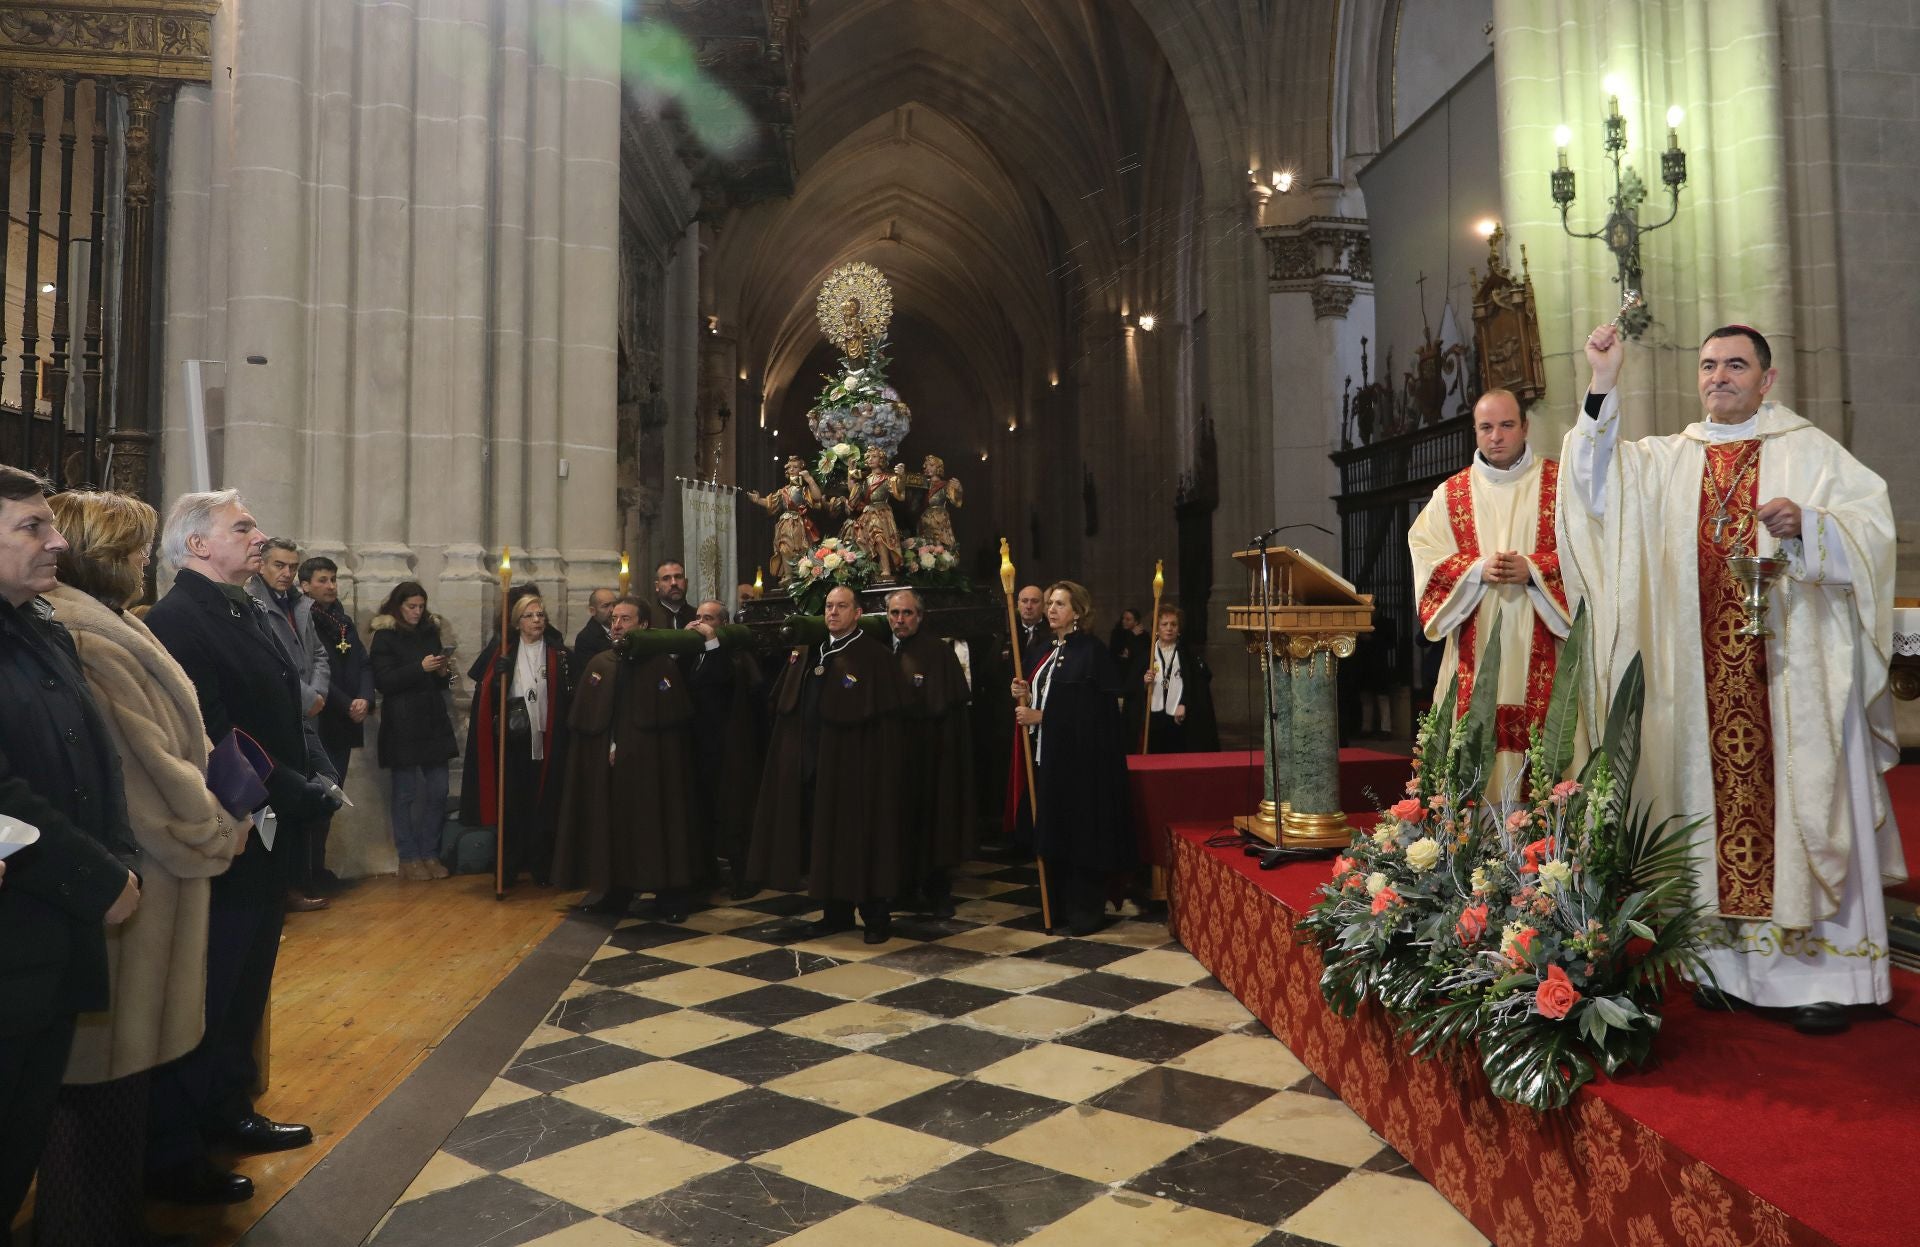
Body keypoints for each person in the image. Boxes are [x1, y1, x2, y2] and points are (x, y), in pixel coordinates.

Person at [1563, 323, 1902, 1035]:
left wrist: (1810, 524)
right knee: (1708, 811)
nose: (1719, 376)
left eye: (1737, 365)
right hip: (1701, 684)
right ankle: (1726, 971)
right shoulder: (1668, 461)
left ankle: (1828, 977)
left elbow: (1872, 529)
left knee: (1805, 805)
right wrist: (1602, 381)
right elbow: (1595, 487)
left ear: (1767, 379)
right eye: (1709, 363)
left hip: (1792, 680)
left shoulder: (1808, 451)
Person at [38, 490, 246, 1245]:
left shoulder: (117, 623)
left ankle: (111, 1219)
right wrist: (218, 823)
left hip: (155, 879)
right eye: (129, 554)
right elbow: (143, 770)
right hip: (135, 880)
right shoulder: (86, 636)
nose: (140, 566)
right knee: (98, 1083)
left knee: (123, 1082)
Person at [144, 489, 328, 1204]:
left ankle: (227, 1108)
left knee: (246, 985)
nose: (259, 537)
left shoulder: (237, 606)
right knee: (212, 991)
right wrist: (288, 789)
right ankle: (178, 1148)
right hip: (229, 832)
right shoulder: (180, 619)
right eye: (242, 527)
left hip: (263, 827)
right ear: (197, 545)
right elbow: (215, 735)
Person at [0, 467, 143, 1230]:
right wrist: (98, 876)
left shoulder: (41, 627)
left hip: (53, 938)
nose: (57, 540)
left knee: (20, 1137)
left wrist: (118, 856)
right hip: (16, 927)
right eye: (32, 526)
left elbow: (96, 760)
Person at [1409, 387, 1570, 798]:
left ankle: (1545, 852)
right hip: (1474, 647)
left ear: (1525, 427)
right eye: (1486, 427)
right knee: (1476, 737)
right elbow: (1425, 553)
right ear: (1475, 432)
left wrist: (1534, 569)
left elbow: (1591, 557)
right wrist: (1478, 569)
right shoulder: (1451, 495)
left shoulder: (1560, 484)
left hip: (1543, 639)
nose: (1495, 436)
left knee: (1546, 741)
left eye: (1505, 425)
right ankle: (1472, 850)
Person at [748, 585, 907, 943]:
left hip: (855, 767)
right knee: (824, 840)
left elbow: (885, 722)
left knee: (860, 840)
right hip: (814, 763)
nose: (833, 613)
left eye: (841, 607)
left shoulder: (872, 655)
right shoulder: (812, 651)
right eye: (829, 607)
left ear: (858, 613)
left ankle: (876, 917)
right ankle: (836, 913)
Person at [553, 598, 704, 922]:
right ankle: (614, 890)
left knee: (657, 824)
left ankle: (669, 893)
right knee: (611, 826)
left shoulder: (661, 665)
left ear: (644, 625)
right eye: (615, 618)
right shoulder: (600, 663)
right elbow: (588, 720)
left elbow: (671, 723)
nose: (617, 624)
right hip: (608, 773)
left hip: (650, 771)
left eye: (626, 618)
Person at [1012, 581, 1134, 935]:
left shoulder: (1091, 652)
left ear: (1078, 612)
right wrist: (1022, 693)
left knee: (1080, 833)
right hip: (1047, 759)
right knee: (1052, 831)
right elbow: (1041, 695)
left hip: (1082, 764)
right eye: (1050, 603)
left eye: (1059, 604)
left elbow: (1094, 713)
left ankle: (1085, 911)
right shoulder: (1042, 648)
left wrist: (1044, 717)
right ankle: (1057, 906)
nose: (1051, 609)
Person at [247, 537, 336, 910]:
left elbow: (316, 652)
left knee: (316, 791)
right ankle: (276, 889)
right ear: (262, 566)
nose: (286, 573)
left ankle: (296, 882)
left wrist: (318, 692)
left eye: (292, 567)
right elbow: (268, 661)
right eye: (279, 566)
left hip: (307, 711)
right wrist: (306, 698)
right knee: (276, 805)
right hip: (280, 712)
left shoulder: (300, 604)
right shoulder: (254, 605)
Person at [461, 594, 571, 887]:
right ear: (518, 622)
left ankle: (542, 865)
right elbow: (485, 695)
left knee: (543, 804)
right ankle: (507, 867)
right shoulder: (504, 652)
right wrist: (498, 680)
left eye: (540, 615)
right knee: (511, 805)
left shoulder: (556, 653)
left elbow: (567, 693)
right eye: (530, 616)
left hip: (547, 738)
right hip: (513, 741)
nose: (537, 620)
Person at [887, 589, 974, 917]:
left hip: (934, 756)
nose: (900, 619)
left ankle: (938, 893)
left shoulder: (938, 653)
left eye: (907, 613)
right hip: (900, 757)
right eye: (894, 613)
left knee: (936, 822)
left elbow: (946, 708)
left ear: (920, 617)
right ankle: (903, 889)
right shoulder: (887, 651)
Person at [369, 583, 459, 881]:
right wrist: (419, 667)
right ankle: (408, 857)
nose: (417, 612)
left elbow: (439, 682)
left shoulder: (430, 631)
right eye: (412, 607)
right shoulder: (385, 636)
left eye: (421, 606)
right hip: (403, 721)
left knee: (438, 790)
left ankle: (430, 852)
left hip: (433, 719)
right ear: (398, 606)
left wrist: (444, 673)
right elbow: (384, 681)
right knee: (405, 793)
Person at [300, 555, 371, 892]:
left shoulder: (342, 621)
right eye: (322, 580)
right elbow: (318, 669)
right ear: (305, 585)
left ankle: (319, 866)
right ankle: (306, 872)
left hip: (344, 723)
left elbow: (363, 663)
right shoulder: (305, 620)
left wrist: (365, 698)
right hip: (321, 721)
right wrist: (346, 703)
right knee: (316, 797)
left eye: (333, 580)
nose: (330, 586)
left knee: (333, 797)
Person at [685, 598, 764, 899]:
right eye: (698, 617)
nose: (701, 623)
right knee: (703, 813)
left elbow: (722, 679)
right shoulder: (695, 654)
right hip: (701, 745)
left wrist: (712, 642)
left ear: (723, 624)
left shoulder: (734, 655)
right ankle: (707, 875)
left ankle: (745, 877)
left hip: (730, 748)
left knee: (734, 815)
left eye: (709, 618)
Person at [996, 583, 1048, 857]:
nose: (1028, 606)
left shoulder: (1050, 637)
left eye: (1034, 601)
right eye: (1024, 601)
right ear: (1016, 605)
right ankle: (1015, 830)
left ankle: (1036, 830)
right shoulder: (1007, 635)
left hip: (1038, 718)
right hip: (1009, 719)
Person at [1134, 605, 1218, 754]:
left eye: (1173, 624)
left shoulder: (1187, 655)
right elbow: (1132, 687)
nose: (1169, 628)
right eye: (1164, 624)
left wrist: (1184, 703)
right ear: (1156, 629)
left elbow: (1196, 684)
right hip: (1153, 718)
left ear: (1179, 629)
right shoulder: (1146, 656)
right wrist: (1144, 683)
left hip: (1179, 717)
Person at [748, 456, 825, 585]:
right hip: (785, 523)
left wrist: (809, 480)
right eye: (789, 467)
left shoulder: (804, 489)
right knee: (784, 547)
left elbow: (817, 497)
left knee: (800, 548)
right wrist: (758, 500)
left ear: (801, 469)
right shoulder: (783, 491)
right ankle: (788, 575)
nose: (792, 470)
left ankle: (803, 572)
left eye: (795, 467)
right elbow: (770, 502)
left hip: (799, 524)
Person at [573, 588, 618, 663]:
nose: (612, 610)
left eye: (614, 605)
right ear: (592, 611)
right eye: (606, 606)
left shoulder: (623, 628)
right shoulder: (585, 638)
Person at [653, 560, 692, 629]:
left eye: (678, 577)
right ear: (657, 586)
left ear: (686, 583)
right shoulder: (646, 619)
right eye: (666, 578)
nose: (674, 583)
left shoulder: (699, 617)